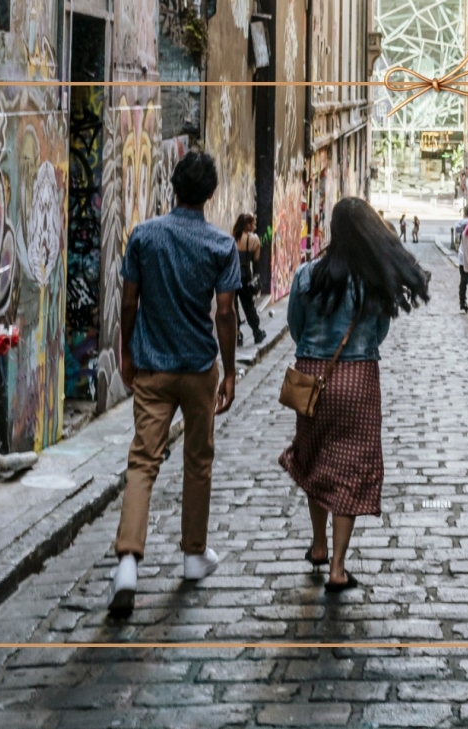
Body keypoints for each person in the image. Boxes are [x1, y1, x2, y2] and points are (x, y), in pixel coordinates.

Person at [110, 152, 240, 616]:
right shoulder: (221, 246)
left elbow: (129, 303)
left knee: (143, 461)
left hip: (153, 367)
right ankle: (192, 554)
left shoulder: (144, 237)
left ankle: (128, 560)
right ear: (210, 194)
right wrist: (229, 370)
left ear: (172, 186)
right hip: (199, 367)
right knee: (198, 461)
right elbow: (224, 314)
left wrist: (126, 351)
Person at [282, 197, 430, 592]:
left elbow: (295, 327)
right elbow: (379, 334)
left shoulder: (306, 274)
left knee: (314, 460)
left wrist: (316, 346)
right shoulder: (372, 279)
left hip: (312, 377)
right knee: (348, 470)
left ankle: (317, 545)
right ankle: (337, 567)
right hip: (360, 379)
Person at [231, 214, 269, 346]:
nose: (255, 226)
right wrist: (257, 279)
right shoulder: (254, 240)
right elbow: (256, 262)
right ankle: (256, 332)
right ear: (247, 225)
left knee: (233, 306)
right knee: (248, 306)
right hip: (246, 276)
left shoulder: (232, 238)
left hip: (232, 276)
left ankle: (237, 334)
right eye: (253, 224)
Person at [452, 205, 468, 313]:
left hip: (462, 255)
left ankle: (462, 304)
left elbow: (457, 238)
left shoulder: (458, 224)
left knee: (463, 281)